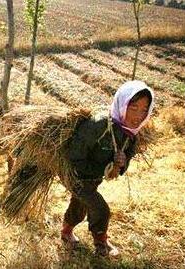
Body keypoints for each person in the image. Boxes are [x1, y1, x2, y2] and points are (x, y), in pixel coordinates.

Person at [60, 80, 155, 256]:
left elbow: (126, 161)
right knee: (100, 208)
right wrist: (104, 168)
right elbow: (75, 157)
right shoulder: (98, 125)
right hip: (75, 175)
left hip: (92, 179)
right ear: (122, 103)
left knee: (80, 204)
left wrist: (122, 162)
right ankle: (101, 242)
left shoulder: (132, 133)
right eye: (133, 108)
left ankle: (66, 232)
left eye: (144, 110)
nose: (138, 116)